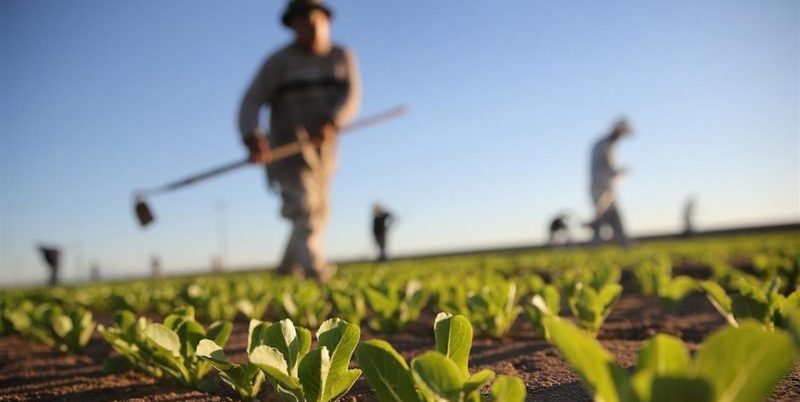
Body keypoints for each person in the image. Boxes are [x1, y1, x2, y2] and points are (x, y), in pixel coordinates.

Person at [238, 0, 361, 282]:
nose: (311, 28)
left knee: (318, 211)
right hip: (287, 149)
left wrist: (333, 120)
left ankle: (285, 269)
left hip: (323, 152)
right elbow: (251, 100)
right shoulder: (277, 63)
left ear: (327, 20)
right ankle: (315, 271)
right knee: (304, 206)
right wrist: (251, 135)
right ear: (293, 26)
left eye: (315, 20)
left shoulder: (342, 56)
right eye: (303, 22)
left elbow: (351, 95)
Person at [588, 118, 632, 246]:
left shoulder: (608, 145)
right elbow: (602, 167)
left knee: (614, 218)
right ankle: (594, 248)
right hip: (599, 189)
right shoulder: (602, 145)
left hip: (607, 189)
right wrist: (619, 171)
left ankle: (625, 245)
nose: (621, 137)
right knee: (601, 220)